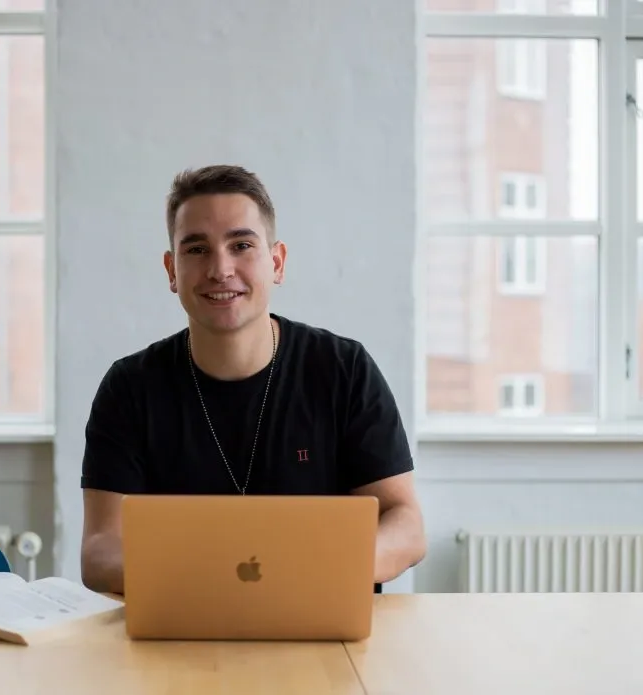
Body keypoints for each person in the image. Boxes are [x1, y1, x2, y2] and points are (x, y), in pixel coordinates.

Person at [79, 164, 425, 595]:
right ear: (171, 270)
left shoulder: (344, 368)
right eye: (196, 249)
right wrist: (222, 578)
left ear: (276, 262)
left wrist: (306, 571)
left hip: (322, 624)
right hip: (180, 632)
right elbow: (100, 550)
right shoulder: (128, 387)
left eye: (241, 245)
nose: (220, 269)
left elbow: (406, 524)